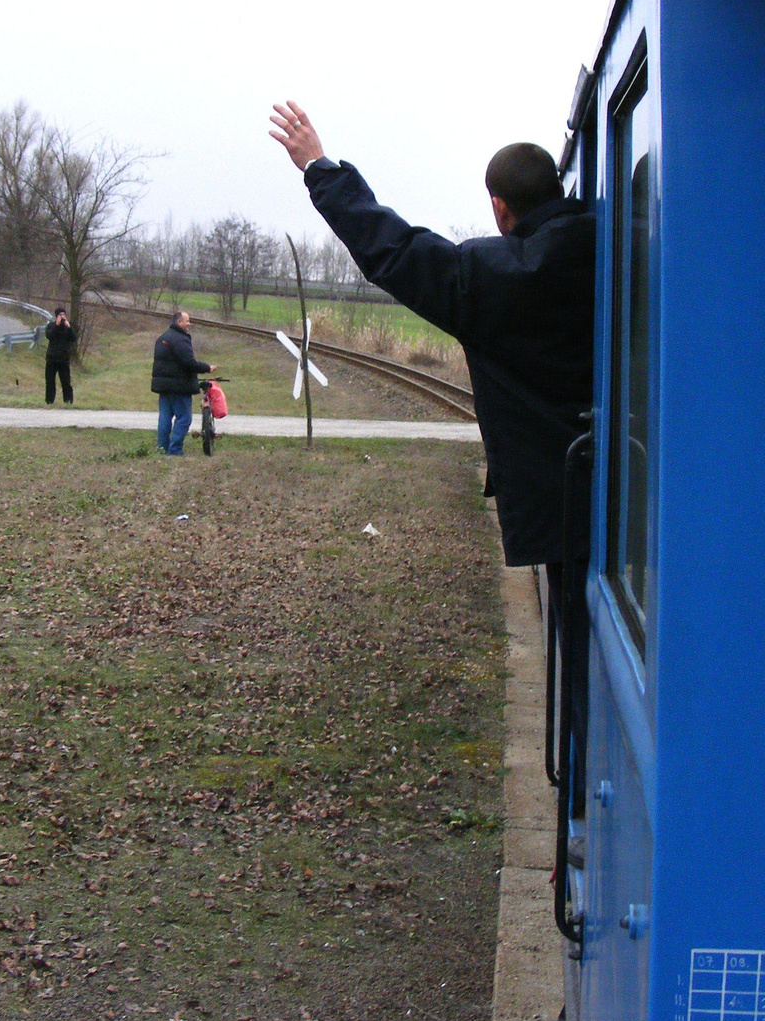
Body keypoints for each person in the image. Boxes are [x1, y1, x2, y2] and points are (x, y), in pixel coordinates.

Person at [269, 99, 595, 799]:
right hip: (644, 495)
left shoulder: (490, 281)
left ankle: (584, 802)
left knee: (585, 666)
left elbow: (392, 248)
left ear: (499, 207)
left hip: (566, 508)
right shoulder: (623, 243)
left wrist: (319, 169)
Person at [151, 310, 212, 456]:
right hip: (179, 387)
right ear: (179, 323)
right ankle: (175, 450)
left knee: (165, 417)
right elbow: (189, 363)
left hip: (164, 387)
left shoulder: (162, 338)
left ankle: (162, 448)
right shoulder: (181, 339)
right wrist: (207, 368)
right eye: (187, 321)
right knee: (184, 418)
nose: (189, 324)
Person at [44, 307, 77, 406]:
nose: (62, 317)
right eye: (60, 315)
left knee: (66, 382)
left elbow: (74, 338)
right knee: (50, 381)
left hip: (64, 359)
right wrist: (57, 325)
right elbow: (49, 336)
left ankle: (68, 401)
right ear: (56, 316)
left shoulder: (67, 327)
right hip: (52, 359)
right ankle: (49, 401)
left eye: (64, 315)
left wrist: (69, 327)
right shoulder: (51, 326)